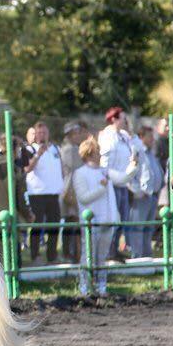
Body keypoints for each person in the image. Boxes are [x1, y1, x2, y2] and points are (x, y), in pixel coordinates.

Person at [68, 136, 138, 295]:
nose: (100, 155)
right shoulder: (80, 173)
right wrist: (102, 188)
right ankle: (84, 287)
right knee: (88, 255)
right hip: (91, 223)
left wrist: (133, 165)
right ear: (90, 153)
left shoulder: (104, 171)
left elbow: (123, 177)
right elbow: (83, 197)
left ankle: (101, 286)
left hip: (108, 220)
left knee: (102, 256)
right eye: (98, 152)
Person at [24, 121, 64, 263]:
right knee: (37, 226)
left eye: (44, 132)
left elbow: (61, 168)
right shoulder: (29, 149)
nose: (42, 135)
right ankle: (35, 255)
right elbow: (27, 169)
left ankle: (52, 255)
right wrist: (38, 155)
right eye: (39, 132)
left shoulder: (55, 148)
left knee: (54, 225)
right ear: (35, 134)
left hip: (54, 194)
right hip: (37, 194)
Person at [98, 107, 134, 260]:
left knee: (123, 218)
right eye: (122, 118)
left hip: (123, 182)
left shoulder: (124, 136)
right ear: (114, 119)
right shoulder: (107, 136)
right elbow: (105, 162)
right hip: (112, 182)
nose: (125, 121)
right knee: (113, 217)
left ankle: (114, 250)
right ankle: (108, 251)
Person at [126, 125, 164, 258]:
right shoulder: (137, 152)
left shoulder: (150, 153)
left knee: (148, 228)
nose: (153, 139)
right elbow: (131, 174)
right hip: (142, 196)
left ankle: (146, 255)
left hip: (152, 195)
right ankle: (137, 256)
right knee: (138, 227)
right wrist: (138, 191)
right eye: (149, 136)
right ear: (141, 137)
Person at [59, 121, 88, 260]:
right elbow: (74, 168)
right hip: (70, 189)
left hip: (76, 187)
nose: (78, 135)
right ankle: (68, 252)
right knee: (71, 221)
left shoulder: (75, 148)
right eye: (75, 133)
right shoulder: (68, 149)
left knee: (75, 222)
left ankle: (74, 251)